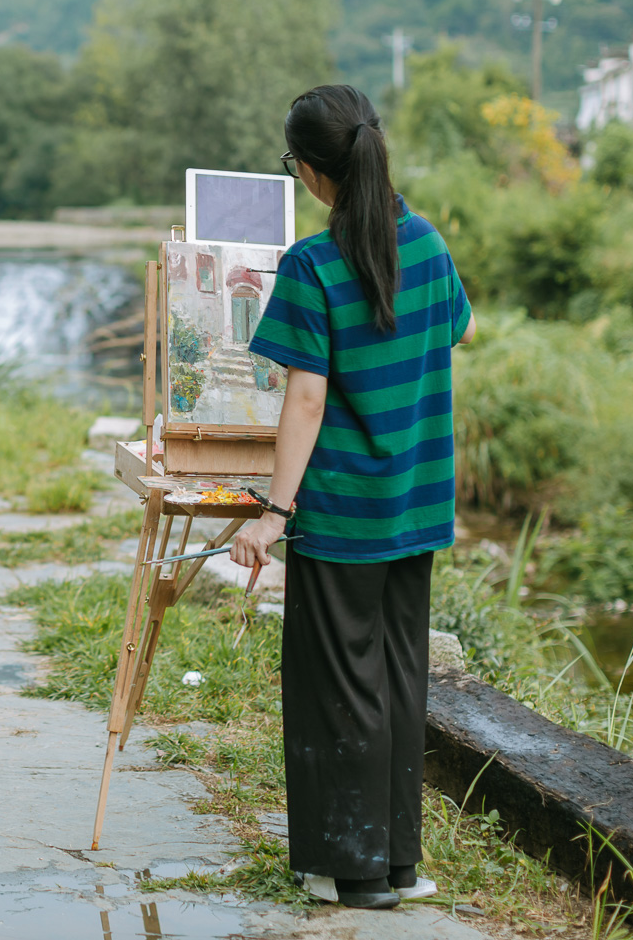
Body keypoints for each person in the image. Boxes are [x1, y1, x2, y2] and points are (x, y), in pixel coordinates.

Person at [230, 84, 475, 911]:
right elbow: (462, 329)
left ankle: (355, 874)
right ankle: (400, 863)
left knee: (341, 688)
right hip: (415, 508)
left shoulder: (312, 263)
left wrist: (272, 514)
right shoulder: (427, 244)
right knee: (402, 680)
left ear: (307, 171)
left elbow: (305, 399)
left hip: (341, 512)